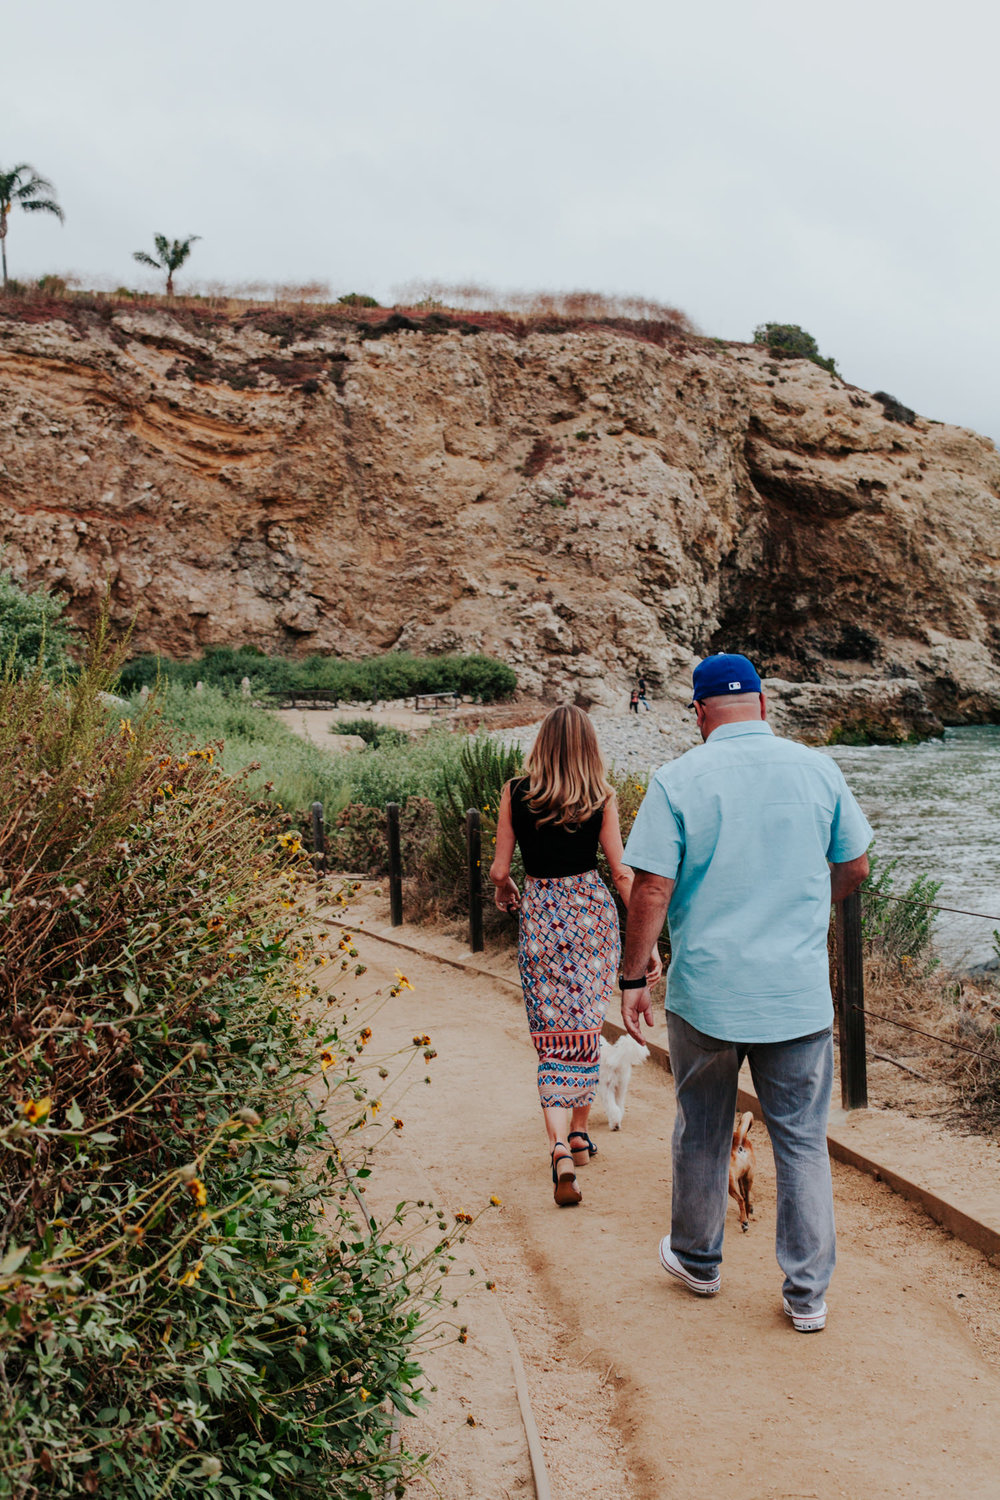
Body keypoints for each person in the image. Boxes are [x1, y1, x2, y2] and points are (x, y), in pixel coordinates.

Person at [618, 652, 872, 1331]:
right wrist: (810, 908)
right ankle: (807, 1296)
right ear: (764, 705)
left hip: (709, 993)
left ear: (699, 714)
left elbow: (651, 887)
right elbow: (854, 864)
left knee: (701, 1129)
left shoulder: (676, 779)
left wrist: (634, 974)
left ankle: (699, 1261)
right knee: (801, 1142)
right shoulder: (818, 769)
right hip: (794, 994)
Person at [490, 706, 661, 1206]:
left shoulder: (515, 792)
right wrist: (646, 941)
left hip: (542, 917)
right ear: (590, 746)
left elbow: (501, 869)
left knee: (552, 1039)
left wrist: (504, 893)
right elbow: (623, 873)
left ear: (541, 742)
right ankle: (582, 1133)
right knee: (586, 1029)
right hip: (591, 917)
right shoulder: (601, 796)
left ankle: (561, 1146)